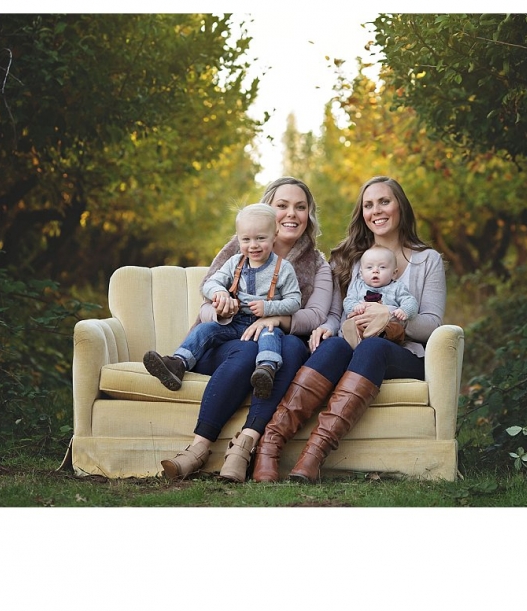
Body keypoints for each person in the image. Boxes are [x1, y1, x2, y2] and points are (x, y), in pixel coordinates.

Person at [252, 175, 446, 483]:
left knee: (372, 347)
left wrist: (392, 318)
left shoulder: (427, 260)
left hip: (405, 354)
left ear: (401, 208)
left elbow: (433, 326)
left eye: (385, 201)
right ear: (363, 214)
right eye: (368, 205)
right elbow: (337, 314)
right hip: (357, 345)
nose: (376, 211)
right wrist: (330, 328)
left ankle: (313, 456)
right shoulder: (354, 261)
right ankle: (269, 447)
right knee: (334, 346)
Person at [157, 177, 333, 482]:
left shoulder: (317, 264)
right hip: (225, 340)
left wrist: (274, 319)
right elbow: (206, 300)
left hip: (273, 345)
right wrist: (220, 305)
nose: (292, 213)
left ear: (309, 215)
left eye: (300, 207)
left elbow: (316, 315)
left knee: (291, 346)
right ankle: (198, 448)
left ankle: (245, 445)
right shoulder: (238, 249)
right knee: (249, 349)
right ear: (268, 211)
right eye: (282, 205)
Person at [143, 203, 301, 400]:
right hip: (236, 322)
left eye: (261, 238)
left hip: (263, 324)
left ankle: (265, 371)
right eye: (246, 239)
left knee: (270, 337)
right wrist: (221, 293)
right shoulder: (235, 262)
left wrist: (268, 307)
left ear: (274, 235)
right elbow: (210, 284)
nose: (253, 245)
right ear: (238, 238)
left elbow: (295, 301)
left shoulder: (283, 268)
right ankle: (178, 364)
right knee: (204, 330)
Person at [340, 244, 419, 348]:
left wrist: (404, 310)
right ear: (361, 273)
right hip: (364, 325)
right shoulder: (358, 286)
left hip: (386, 328)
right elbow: (348, 301)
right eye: (369, 267)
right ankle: (356, 338)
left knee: (396, 329)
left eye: (382, 267)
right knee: (354, 324)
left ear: (394, 273)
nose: (375, 270)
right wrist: (355, 306)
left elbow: (410, 301)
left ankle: (377, 331)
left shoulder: (397, 287)